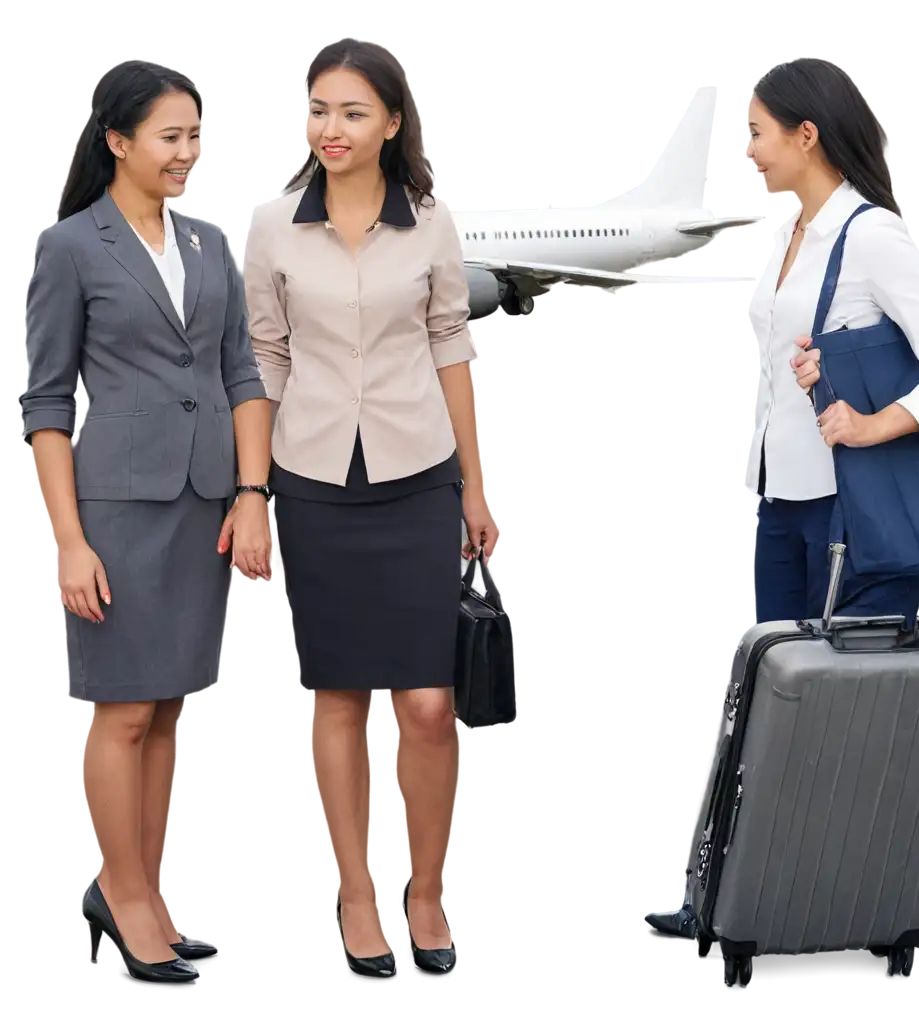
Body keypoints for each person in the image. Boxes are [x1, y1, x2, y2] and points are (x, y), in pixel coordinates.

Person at [640, 57, 919, 943]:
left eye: (757, 133)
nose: (747, 153)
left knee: (845, 723)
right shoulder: (792, 232)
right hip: (781, 501)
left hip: (847, 516)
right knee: (769, 706)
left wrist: (872, 425)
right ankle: (735, 901)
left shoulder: (872, 236)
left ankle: (835, 911)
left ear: (807, 135)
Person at [243, 39, 497, 980]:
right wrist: (253, 490)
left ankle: (422, 891)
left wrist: (477, 481)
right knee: (339, 697)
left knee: (428, 704)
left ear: (391, 123)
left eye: (352, 112)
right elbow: (262, 358)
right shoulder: (270, 226)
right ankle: (356, 891)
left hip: (418, 468)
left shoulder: (430, 221)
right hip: (309, 475)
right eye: (317, 109)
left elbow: (452, 341)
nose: (331, 129)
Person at [21, 59, 273, 984]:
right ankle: (122, 900)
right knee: (121, 713)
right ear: (117, 142)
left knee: (165, 710)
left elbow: (242, 374)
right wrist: (68, 540)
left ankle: (144, 890)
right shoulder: (70, 247)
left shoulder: (212, 246)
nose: (189, 153)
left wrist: (254, 493)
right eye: (171, 136)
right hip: (117, 513)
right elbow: (45, 404)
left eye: (197, 136)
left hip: (203, 502)